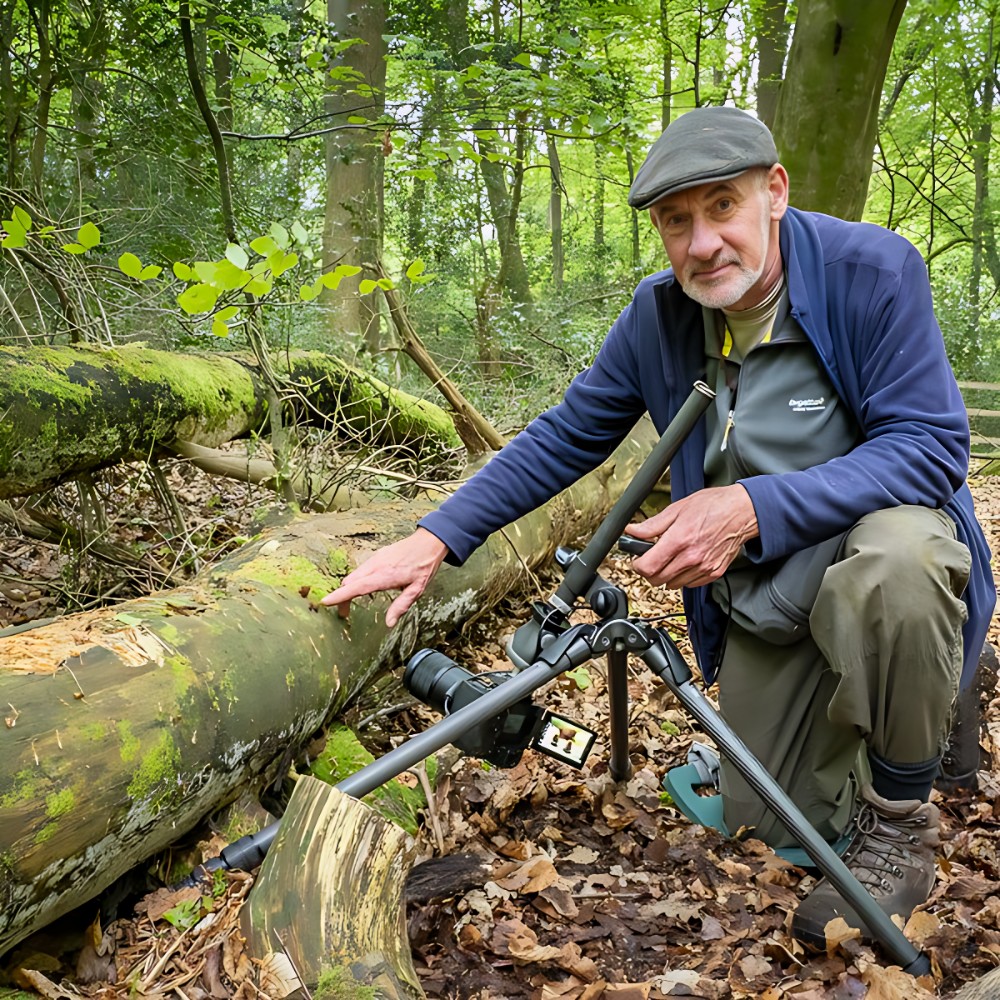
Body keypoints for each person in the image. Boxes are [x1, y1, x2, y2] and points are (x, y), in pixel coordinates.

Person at [322, 106, 995, 945]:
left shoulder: (872, 272)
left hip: (871, 552)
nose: (702, 241)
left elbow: (931, 449)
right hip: (772, 591)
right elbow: (566, 434)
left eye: (722, 207)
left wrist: (749, 508)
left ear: (774, 192)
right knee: (772, 824)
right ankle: (920, 681)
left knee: (903, 562)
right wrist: (436, 537)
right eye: (677, 221)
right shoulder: (661, 316)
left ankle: (903, 805)